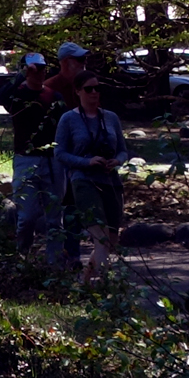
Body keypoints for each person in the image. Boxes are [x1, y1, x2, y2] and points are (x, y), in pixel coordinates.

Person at [54, 73, 129, 280]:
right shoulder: (68, 119)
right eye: (89, 89)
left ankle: (85, 281)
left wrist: (117, 161)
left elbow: (123, 150)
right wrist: (87, 161)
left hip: (110, 180)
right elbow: (59, 153)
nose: (94, 92)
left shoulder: (111, 117)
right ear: (78, 91)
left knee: (111, 238)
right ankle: (106, 284)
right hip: (83, 180)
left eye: (97, 88)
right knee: (100, 235)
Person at [0, 54, 64, 259]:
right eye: (35, 69)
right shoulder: (17, 95)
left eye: (42, 69)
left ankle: (55, 263)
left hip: (51, 160)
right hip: (26, 159)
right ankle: (23, 257)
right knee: (27, 216)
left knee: (54, 218)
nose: (40, 73)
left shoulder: (54, 96)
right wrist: (21, 75)